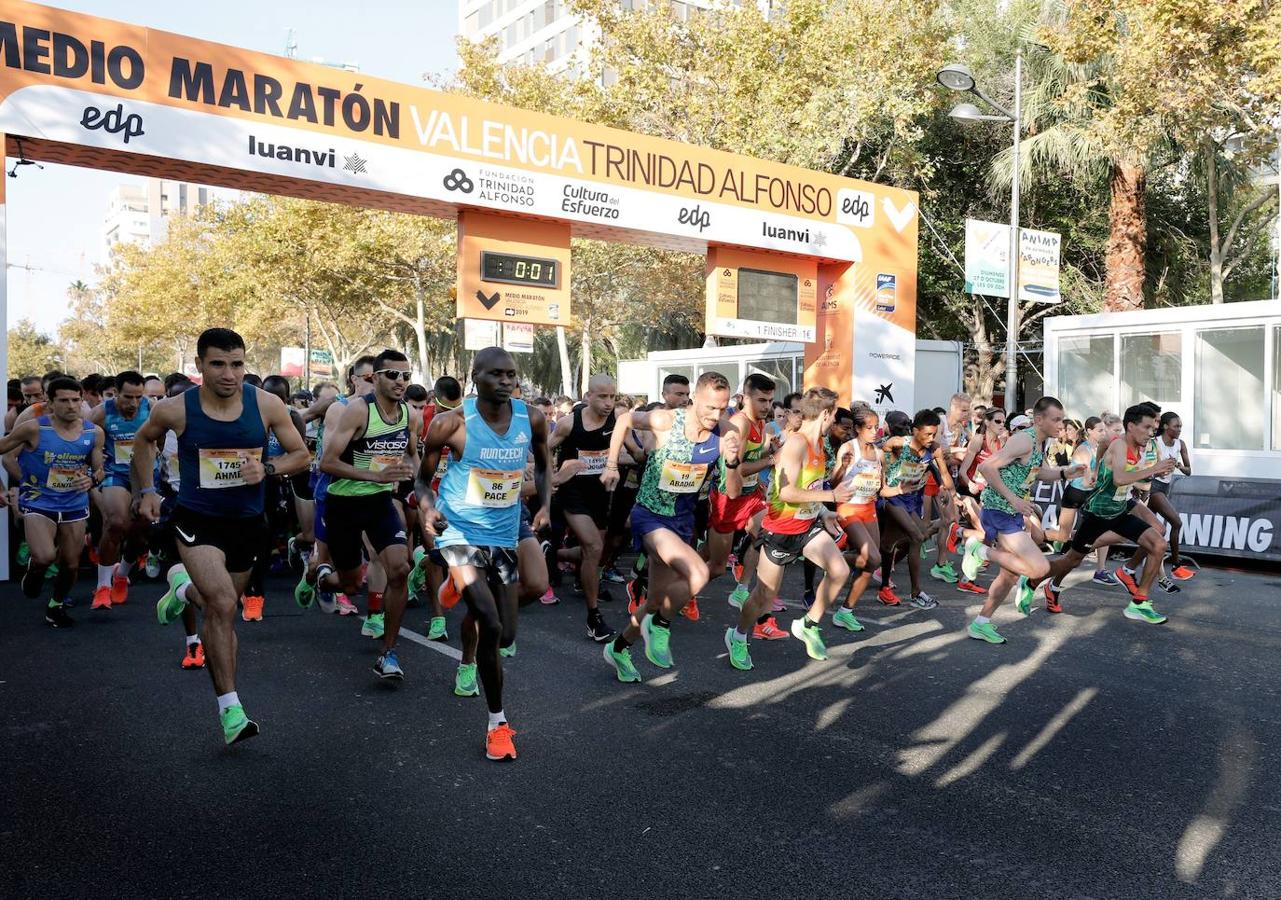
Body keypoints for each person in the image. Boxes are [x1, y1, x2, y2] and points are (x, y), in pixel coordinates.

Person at [133, 328, 310, 745]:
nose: (229, 373)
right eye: (218, 364)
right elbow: (144, 443)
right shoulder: (175, 409)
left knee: (221, 611)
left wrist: (267, 469)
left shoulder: (267, 404)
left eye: (237, 364)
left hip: (248, 523)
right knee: (225, 602)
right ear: (199, 366)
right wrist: (146, 491)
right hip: (197, 518)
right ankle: (231, 709)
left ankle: (181, 590)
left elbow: (301, 455)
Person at [417, 347, 552, 761]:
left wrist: (545, 503)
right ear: (475, 377)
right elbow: (421, 481)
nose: (507, 381)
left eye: (512, 374)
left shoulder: (532, 418)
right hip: (458, 532)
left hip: (504, 536)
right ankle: (498, 724)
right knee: (491, 627)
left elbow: (545, 465)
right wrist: (428, 508)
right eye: (497, 374)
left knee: (507, 633)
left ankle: (457, 592)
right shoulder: (451, 423)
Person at [600, 371, 741, 682]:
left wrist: (731, 461)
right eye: (709, 407)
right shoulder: (666, 420)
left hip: (681, 521)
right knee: (698, 573)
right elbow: (623, 420)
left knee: (654, 599)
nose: (715, 415)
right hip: (649, 516)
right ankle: (661, 625)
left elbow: (732, 492)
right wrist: (611, 465)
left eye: (722, 408)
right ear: (695, 400)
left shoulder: (726, 432)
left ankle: (620, 648)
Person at [726, 387, 852, 669]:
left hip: (806, 526)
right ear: (825, 414)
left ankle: (808, 624)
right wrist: (830, 497)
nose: (833, 422)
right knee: (763, 596)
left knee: (840, 570)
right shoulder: (795, 444)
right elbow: (787, 493)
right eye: (832, 416)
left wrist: (823, 512)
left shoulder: (819, 444)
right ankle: (738, 635)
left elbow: (810, 487)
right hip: (780, 530)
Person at [313, 350, 420, 679]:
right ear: (374, 378)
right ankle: (319, 578)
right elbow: (327, 463)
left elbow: (414, 457)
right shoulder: (358, 411)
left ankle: (388, 653)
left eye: (406, 376)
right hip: (343, 504)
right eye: (392, 375)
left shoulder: (410, 416)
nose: (400, 382)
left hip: (379, 503)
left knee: (400, 569)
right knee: (351, 583)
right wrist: (375, 475)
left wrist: (412, 482)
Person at [1029, 404, 1175, 624]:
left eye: (1153, 425)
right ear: (1131, 426)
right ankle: (1035, 581)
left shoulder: (1135, 446)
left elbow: (1105, 449)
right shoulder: (1119, 445)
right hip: (1099, 512)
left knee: (1158, 542)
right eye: (1146, 426)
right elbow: (1119, 479)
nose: (1151, 431)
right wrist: (1154, 469)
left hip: (1122, 507)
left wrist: (1097, 468)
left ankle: (1139, 602)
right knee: (1072, 560)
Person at [958, 397, 1083, 644]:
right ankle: (977, 550)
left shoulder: (1040, 442)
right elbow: (986, 468)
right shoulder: (1024, 439)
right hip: (999, 509)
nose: (1061, 424)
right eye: (1056, 419)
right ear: (1039, 420)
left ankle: (980, 623)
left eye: (1062, 419)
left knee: (1009, 576)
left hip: (1011, 512)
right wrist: (1014, 499)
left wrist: (1063, 472)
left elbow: (1038, 473)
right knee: (1039, 568)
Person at [0, 377, 105, 627]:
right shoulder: (34, 428)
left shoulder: (94, 432)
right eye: (64, 400)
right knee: (45, 556)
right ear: (50, 402)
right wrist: (21, 481)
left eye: (75, 400)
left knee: (70, 564)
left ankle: (55, 606)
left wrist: (92, 479)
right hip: (39, 503)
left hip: (74, 504)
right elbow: (4, 452)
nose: (71, 405)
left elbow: (99, 468)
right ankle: (35, 570)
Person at [296, 357, 376, 616]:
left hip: (368, 494)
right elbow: (329, 457)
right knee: (324, 559)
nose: (376, 384)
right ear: (354, 380)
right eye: (369, 378)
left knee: (376, 554)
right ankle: (312, 578)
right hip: (332, 492)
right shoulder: (338, 408)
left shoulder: (389, 412)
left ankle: (367, 608)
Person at [711, 374, 784, 639]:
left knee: (768, 534)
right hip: (727, 499)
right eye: (761, 400)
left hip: (751, 494)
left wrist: (768, 451)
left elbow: (755, 457)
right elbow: (738, 468)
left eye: (770, 400)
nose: (767, 406)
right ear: (745, 397)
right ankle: (686, 591)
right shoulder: (739, 423)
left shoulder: (762, 423)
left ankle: (744, 590)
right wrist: (771, 460)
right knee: (715, 566)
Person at [546, 373, 617, 642]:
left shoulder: (616, 421)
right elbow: (544, 448)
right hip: (572, 492)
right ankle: (594, 616)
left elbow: (630, 448)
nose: (608, 402)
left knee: (595, 552)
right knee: (594, 548)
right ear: (588, 396)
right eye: (602, 396)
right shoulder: (569, 423)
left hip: (601, 493)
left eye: (612, 396)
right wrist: (552, 475)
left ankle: (556, 554)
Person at [87, 371, 152, 610]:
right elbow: (83, 444)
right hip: (116, 474)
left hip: (146, 476)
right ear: (115, 392)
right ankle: (103, 586)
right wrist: (92, 476)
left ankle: (122, 574)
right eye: (127, 397)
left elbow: (162, 444)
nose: (133, 403)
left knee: (140, 529)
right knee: (115, 523)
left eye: (138, 397)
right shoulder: (100, 413)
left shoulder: (152, 409)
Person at [877, 409, 954, 609]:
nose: (931, 438)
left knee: (887, 545)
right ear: (914, 431)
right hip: (893, 498)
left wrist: (948, 491)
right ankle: (916, 592)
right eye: (927, 434)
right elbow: (880, 459)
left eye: (934, 434)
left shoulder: (934, 449)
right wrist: (885, 486)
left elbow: (944, 473)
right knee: (917, 537)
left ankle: (884, 586)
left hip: (910, 501)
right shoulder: (897, 443)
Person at [829, 404, 885, 633]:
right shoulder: (848, 448)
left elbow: (882, 486)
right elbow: (832, 485)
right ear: (858, 429)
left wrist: (897, 488)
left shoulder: (879, 453)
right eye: (869, 427)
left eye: (876, 427)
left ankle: (845, 612)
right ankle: (831, 558)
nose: (874, 431)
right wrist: (843, 467)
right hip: (848, 507)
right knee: (871, 556)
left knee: (874, 561)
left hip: (868, 507)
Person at [1151, 411, 1194, 583]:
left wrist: (1177, 465)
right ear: (1165, 426)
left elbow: (1189, 471)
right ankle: (1176, 566)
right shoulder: (1155, 443)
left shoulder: (1180, 444)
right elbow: (1146, 466)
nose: (1179, 429)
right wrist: (1158, 469)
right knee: (1176, 522)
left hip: (1165, 487)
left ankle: (1136, 567)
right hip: (1153, 487)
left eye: (1181, 426)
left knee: (1152, 530)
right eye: (1176, 426)